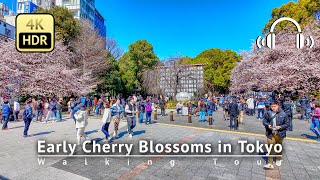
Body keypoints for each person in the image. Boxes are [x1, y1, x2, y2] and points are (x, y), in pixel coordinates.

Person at [263, 101, 290, 169]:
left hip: (279, 133)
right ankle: (270, 163)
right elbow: (264, 121)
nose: (273, 108)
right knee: (270, 147)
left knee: (278, 146)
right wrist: (267, 125)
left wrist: (280, 127)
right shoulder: (268, 113)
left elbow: (287, 124)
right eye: (272, 106)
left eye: (274, 106)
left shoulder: (283, 114)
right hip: (270, 133)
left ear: (278, 106)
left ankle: (278, 159)